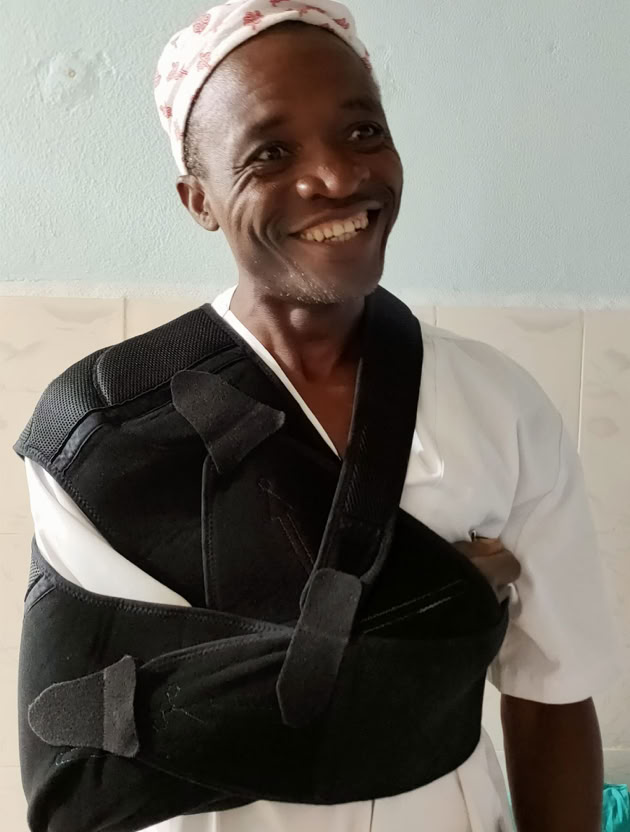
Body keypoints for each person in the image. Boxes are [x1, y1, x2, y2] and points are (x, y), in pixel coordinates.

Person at [16, 2, 618, 831]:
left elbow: (554, 690)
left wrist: (397, 629)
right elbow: (93, 756)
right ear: (199, 199)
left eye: (363, 131)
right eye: (270, 152)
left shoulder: (500, 407)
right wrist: (430, 614)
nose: (335, 176)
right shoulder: (102, 432)